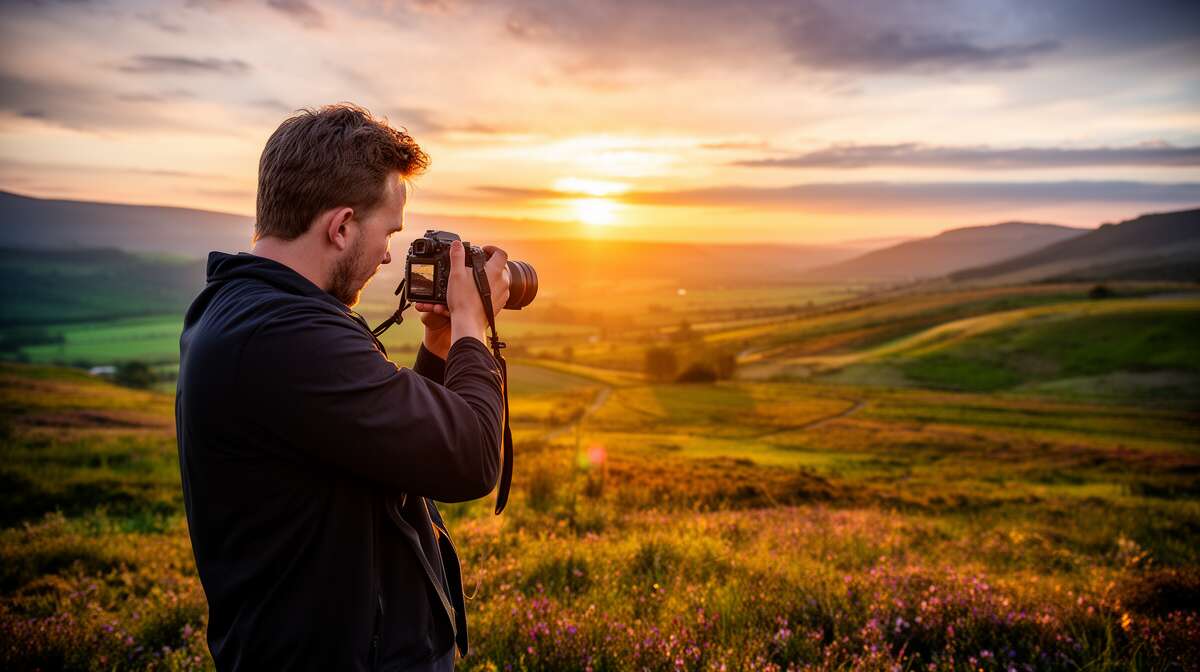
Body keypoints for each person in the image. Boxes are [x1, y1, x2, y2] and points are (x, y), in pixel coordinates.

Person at [175, 103, 510, 671]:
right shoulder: (285, 336)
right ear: (342, 226)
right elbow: (473, 458)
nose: (389, 254)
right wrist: (472, 327)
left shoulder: (251, 312)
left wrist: (438, 343)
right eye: (388, 232)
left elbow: (392, 444)